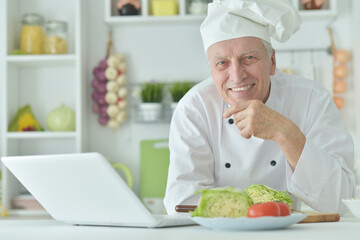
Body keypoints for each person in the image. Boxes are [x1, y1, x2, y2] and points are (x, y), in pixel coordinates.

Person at [164, 0, 355, 215]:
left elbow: (341, 201)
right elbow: (181, 204)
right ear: (211, 68)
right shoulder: (194, 109)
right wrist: (249, 215)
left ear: (272, 61)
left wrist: (285, 133)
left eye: (249, 58)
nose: (237, 76)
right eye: (222, 63)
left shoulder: (313, 100)